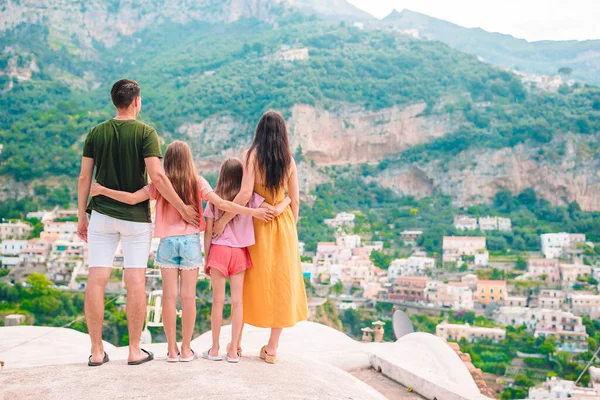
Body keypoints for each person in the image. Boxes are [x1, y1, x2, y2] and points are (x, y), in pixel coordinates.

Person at [90, 142, 275, 363]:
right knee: (189, 298)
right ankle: (186, 349)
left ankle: (171, 349)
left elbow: (131, 198)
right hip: (190, 243)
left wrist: (101, 190)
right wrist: (251, 211)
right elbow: (221, 203)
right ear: (189, 160)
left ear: (167, 161)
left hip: (167, 244)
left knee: (169, 297)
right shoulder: (198, 182)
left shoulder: (160, 185)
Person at [77, 79, 199, 367]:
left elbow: (85, 178)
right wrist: (182, 207)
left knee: (97, 278)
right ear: (136, 102)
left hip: (102, 216)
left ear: (114, 101)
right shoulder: (146, 132)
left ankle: (96, 351)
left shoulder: (96, 132)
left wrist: (81, 214)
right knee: (135, 281)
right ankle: (134, 350)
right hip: (134, 220)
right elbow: (157, 177)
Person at [212, 111, 309, 364]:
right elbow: (295, 199)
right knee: (280, 284)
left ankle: (237, 343)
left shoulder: (252, 155)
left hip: (257, 225)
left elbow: (245, 194)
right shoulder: (289, 160)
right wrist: (289, 226)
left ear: (260, 131)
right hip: (284, 225)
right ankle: (272, 348)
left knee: (247, 282)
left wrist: (223, 220)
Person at [202, 158, 290, 363]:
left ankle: (214, 350)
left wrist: (207, 258)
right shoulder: (250, 199)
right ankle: (233, 351)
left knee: (217, 302)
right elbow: (272, 208)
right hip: (240, 254)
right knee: (237, 302)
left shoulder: (215, 201)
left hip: (219, 252)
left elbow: (207, 233)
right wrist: (288, 200)